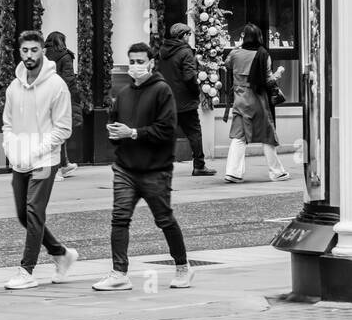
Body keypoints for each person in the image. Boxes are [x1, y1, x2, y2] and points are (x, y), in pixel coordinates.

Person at [92, 43, 195, 291]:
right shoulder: (124, 94)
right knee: (119, 219)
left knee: (164, 219)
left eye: (140, 61)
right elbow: (115, 123)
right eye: (132, 61)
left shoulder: (162, 91)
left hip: (155, 169)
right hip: (126, 168)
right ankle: (119, 273)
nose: (135, 66)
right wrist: (114, 133)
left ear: (151, 63)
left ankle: (183, 266)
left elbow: (167, 129)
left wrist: (134, 133)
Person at [2, 30, 79, 290]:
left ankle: (26, 270)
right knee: (23, 215)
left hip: (45, 160)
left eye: (34, 50)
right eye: (25, 51)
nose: (29, 56)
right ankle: (61, 253)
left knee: (35, 211)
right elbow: (8, 123)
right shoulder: (14, 86)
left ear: (42, 51)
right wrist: (11, 149)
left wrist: (38, 150)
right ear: (19, 52)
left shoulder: (56, 85)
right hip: (19, 159)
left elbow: (63, 128)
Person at [222, 23, 288, 183]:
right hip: (258, 99)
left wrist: (238, 47)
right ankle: (276, 172)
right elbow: (268, 80)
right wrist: (279, 73)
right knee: (267, 136)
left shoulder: (235, 53)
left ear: (244, 37)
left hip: (239, 99)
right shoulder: (263, 54)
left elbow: (226, 64)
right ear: (259, 37)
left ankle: (233, 172)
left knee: (238, 137)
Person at [156, 22, 215, 176]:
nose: (190, 37)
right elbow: (189, 77)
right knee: (194, 132)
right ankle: (199, 166)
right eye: (188, 34)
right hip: (185, 101)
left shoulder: (163, 51)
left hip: (167, 99)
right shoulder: (185, 52)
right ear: (183, 36)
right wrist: (196, 91)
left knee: (165, 132)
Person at [44, 31, 82, 178]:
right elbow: (69, 78)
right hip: (62, 97)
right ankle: (58, 168)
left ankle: (64, 164)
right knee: (60, 132)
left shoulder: (44, 54)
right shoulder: (65, 56)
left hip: (46, 97)